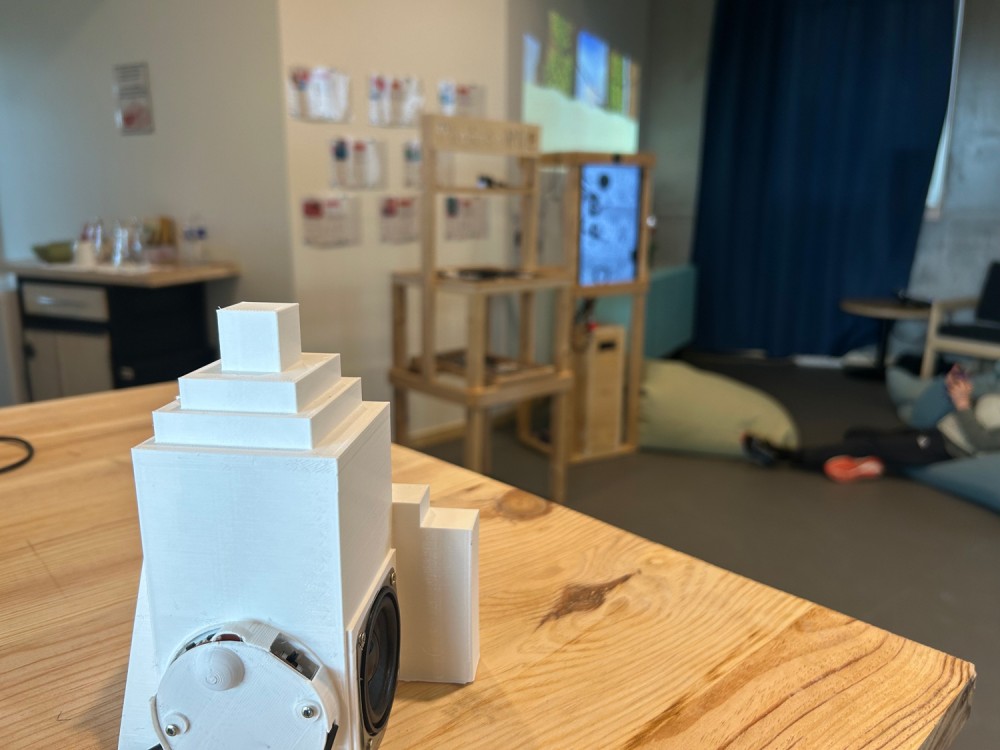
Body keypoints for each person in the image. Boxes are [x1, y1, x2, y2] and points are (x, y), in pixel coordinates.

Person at [742, 364, 1000, 482]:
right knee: (857, 434)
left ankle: (784, 455)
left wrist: (962, 404)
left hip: (945, 447)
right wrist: (963, 385)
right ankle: (873, 464)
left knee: (867, 442)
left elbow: (982, 442)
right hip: (936, 433)